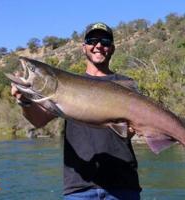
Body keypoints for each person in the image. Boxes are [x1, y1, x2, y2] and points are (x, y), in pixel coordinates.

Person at [11, 22, 141, 199]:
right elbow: (38, 121)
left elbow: (134, 131)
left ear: (112, 48)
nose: (98, 45)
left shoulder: (127, 85)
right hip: (79, 188)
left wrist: (133, 131)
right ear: (83, 47)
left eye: (105, 41)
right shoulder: (64, 86)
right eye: (92, 40)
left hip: (123, 184)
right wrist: (24, 100)